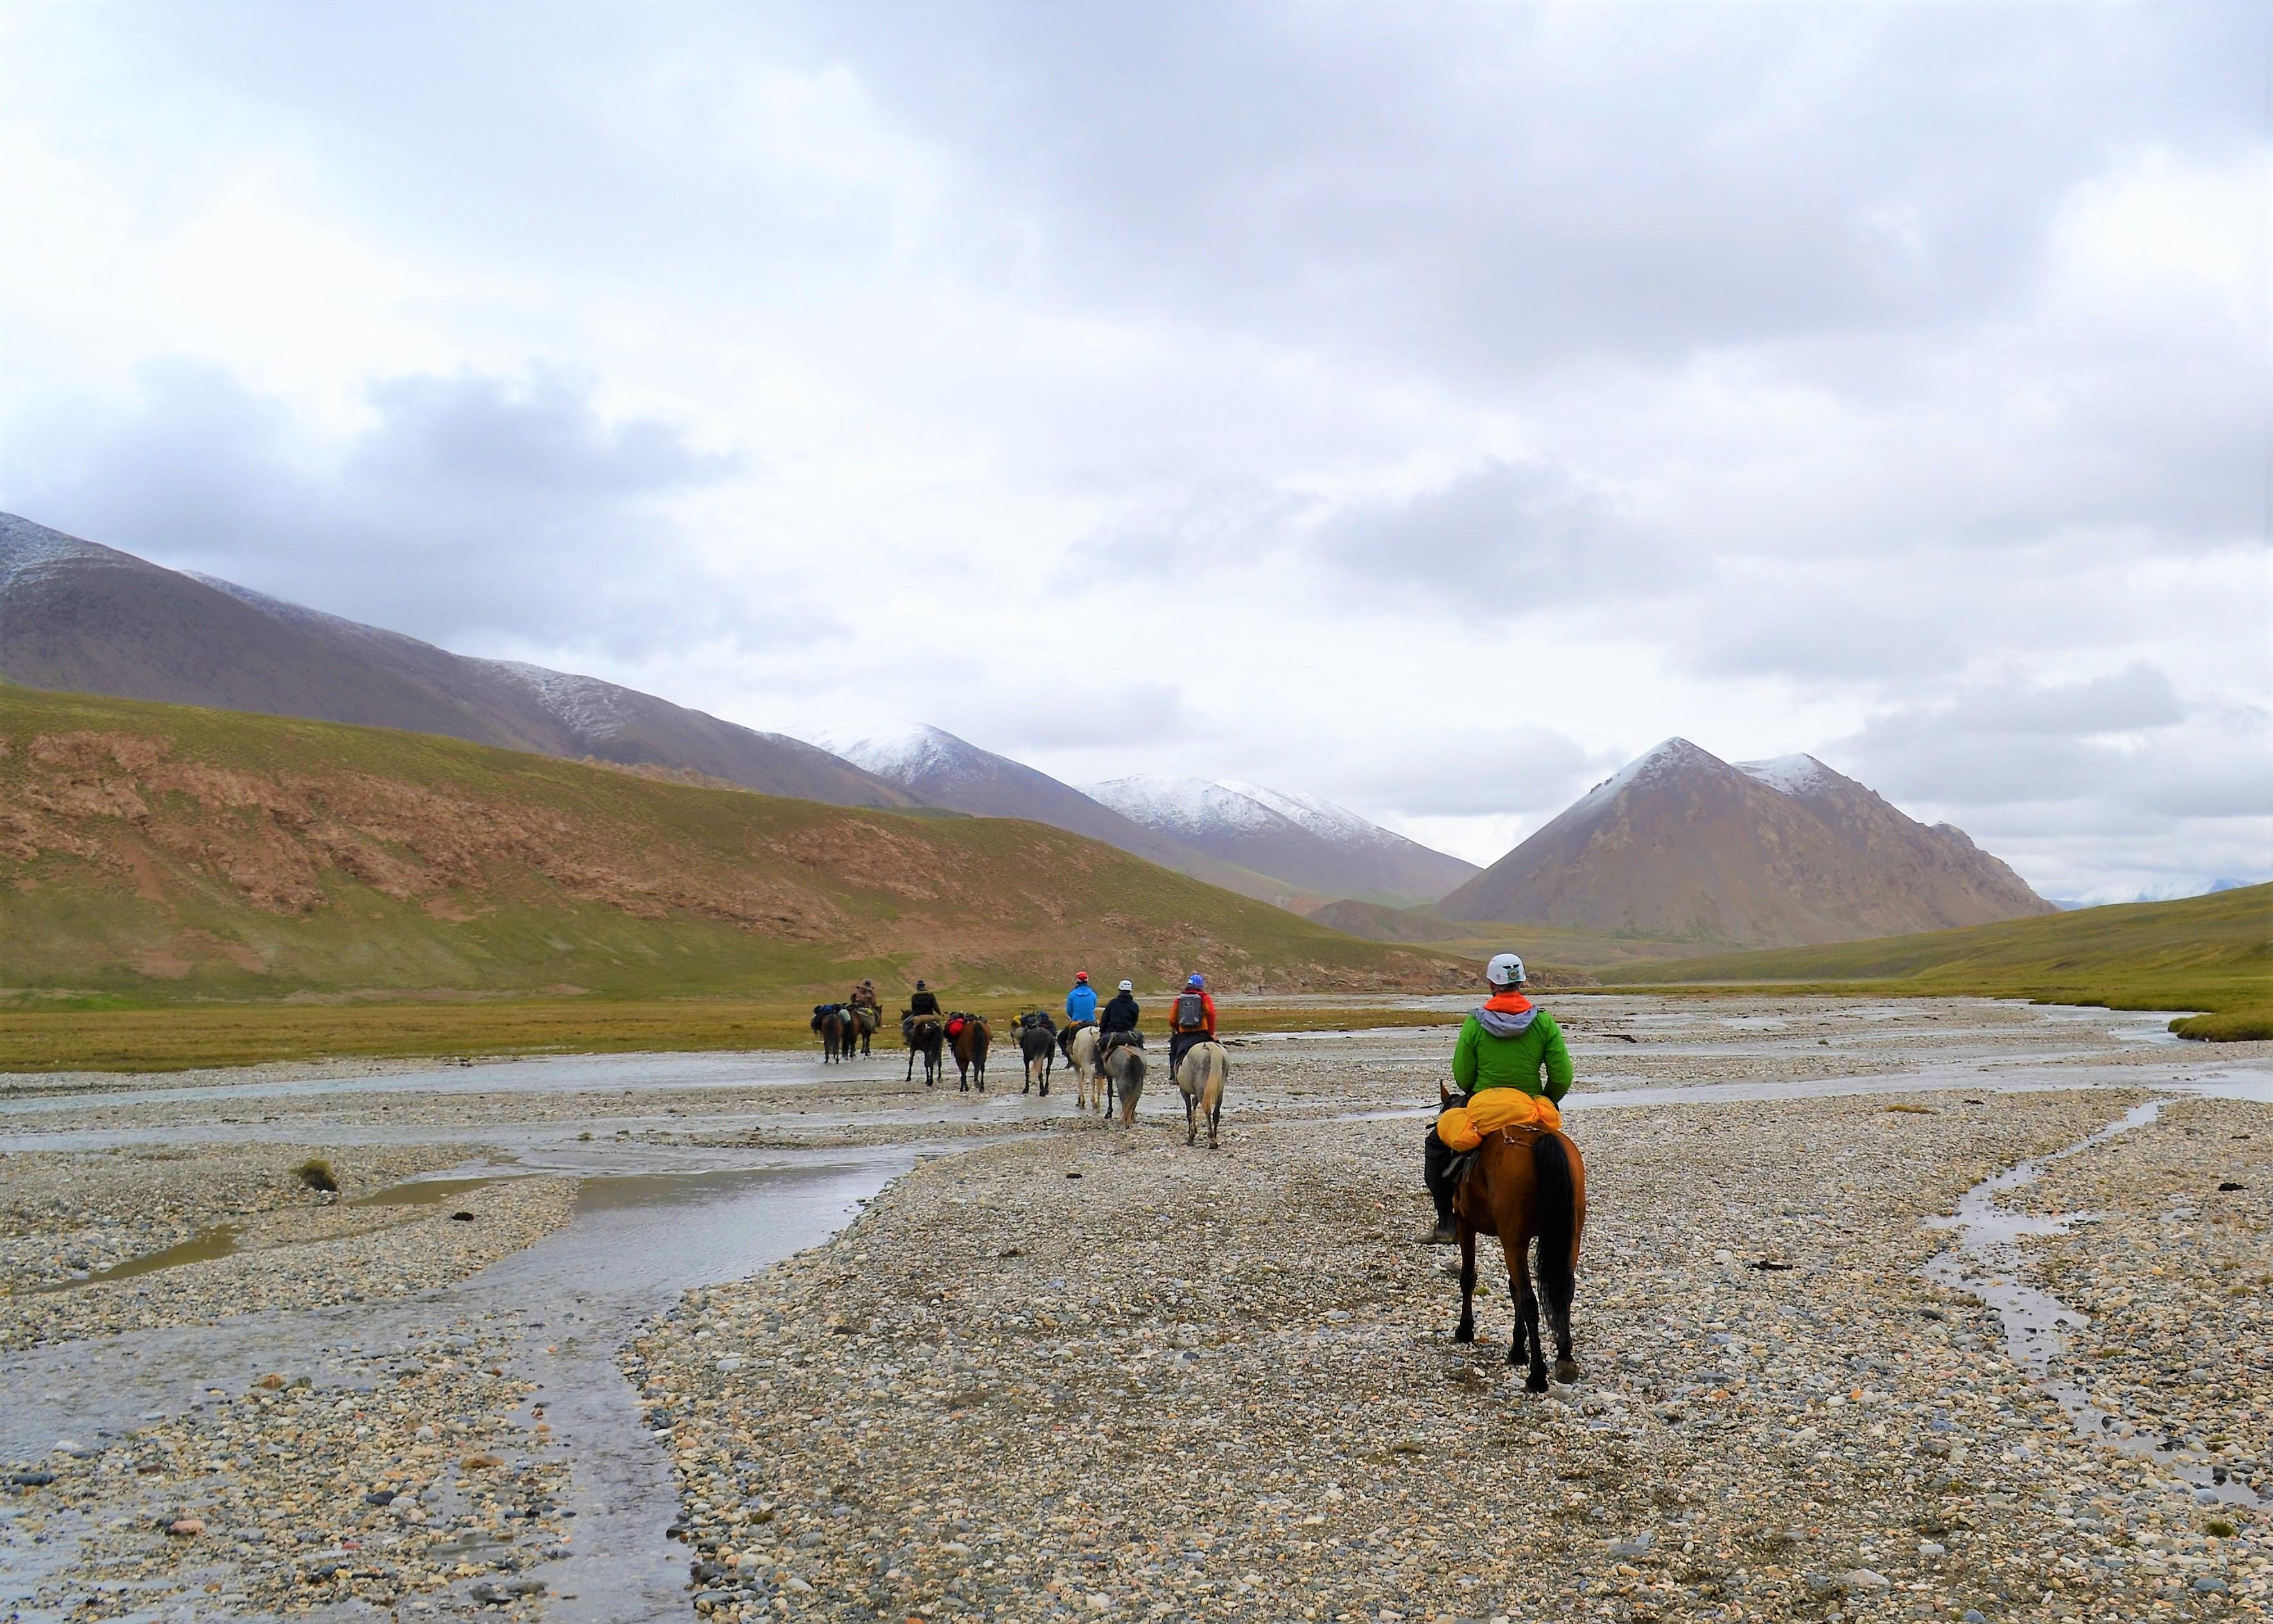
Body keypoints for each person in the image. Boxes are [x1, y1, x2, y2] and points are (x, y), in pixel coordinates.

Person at [1423, 952, 1573, 1244]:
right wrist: (1546, 1099)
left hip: (1483, 1105)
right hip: (1529, 1105)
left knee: (1436, 1144)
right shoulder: (1544, 1022)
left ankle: (1446, 1221)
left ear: (1492, 984)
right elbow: (1562, 1075)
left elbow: (1463, 1077)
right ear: (1523, 982)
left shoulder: (1475, 1022)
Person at [1167, 972, 1217, 1080]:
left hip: (1184, 1035)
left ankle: (1174, 1075)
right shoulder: (1205, 998)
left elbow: (1172, 1019)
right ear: (1201, 986)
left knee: (1174, 1052)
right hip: (1202, 1034)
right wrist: (1211, 1032)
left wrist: (1179, 1029)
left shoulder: (1179, 999)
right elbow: (1211, 1014)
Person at [1097, 978, 1141, 1054]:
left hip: (1112, 1034)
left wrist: (1102, 1032)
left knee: (1097, 1048)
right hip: (1128, 1035)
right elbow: (1134, 1021)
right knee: (1140, 1043)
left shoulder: (1112, 1003)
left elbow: (1105, 1020)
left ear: (1120, 990)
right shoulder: (1134, 1005)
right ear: (1130, 991)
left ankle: (1100, 1066)